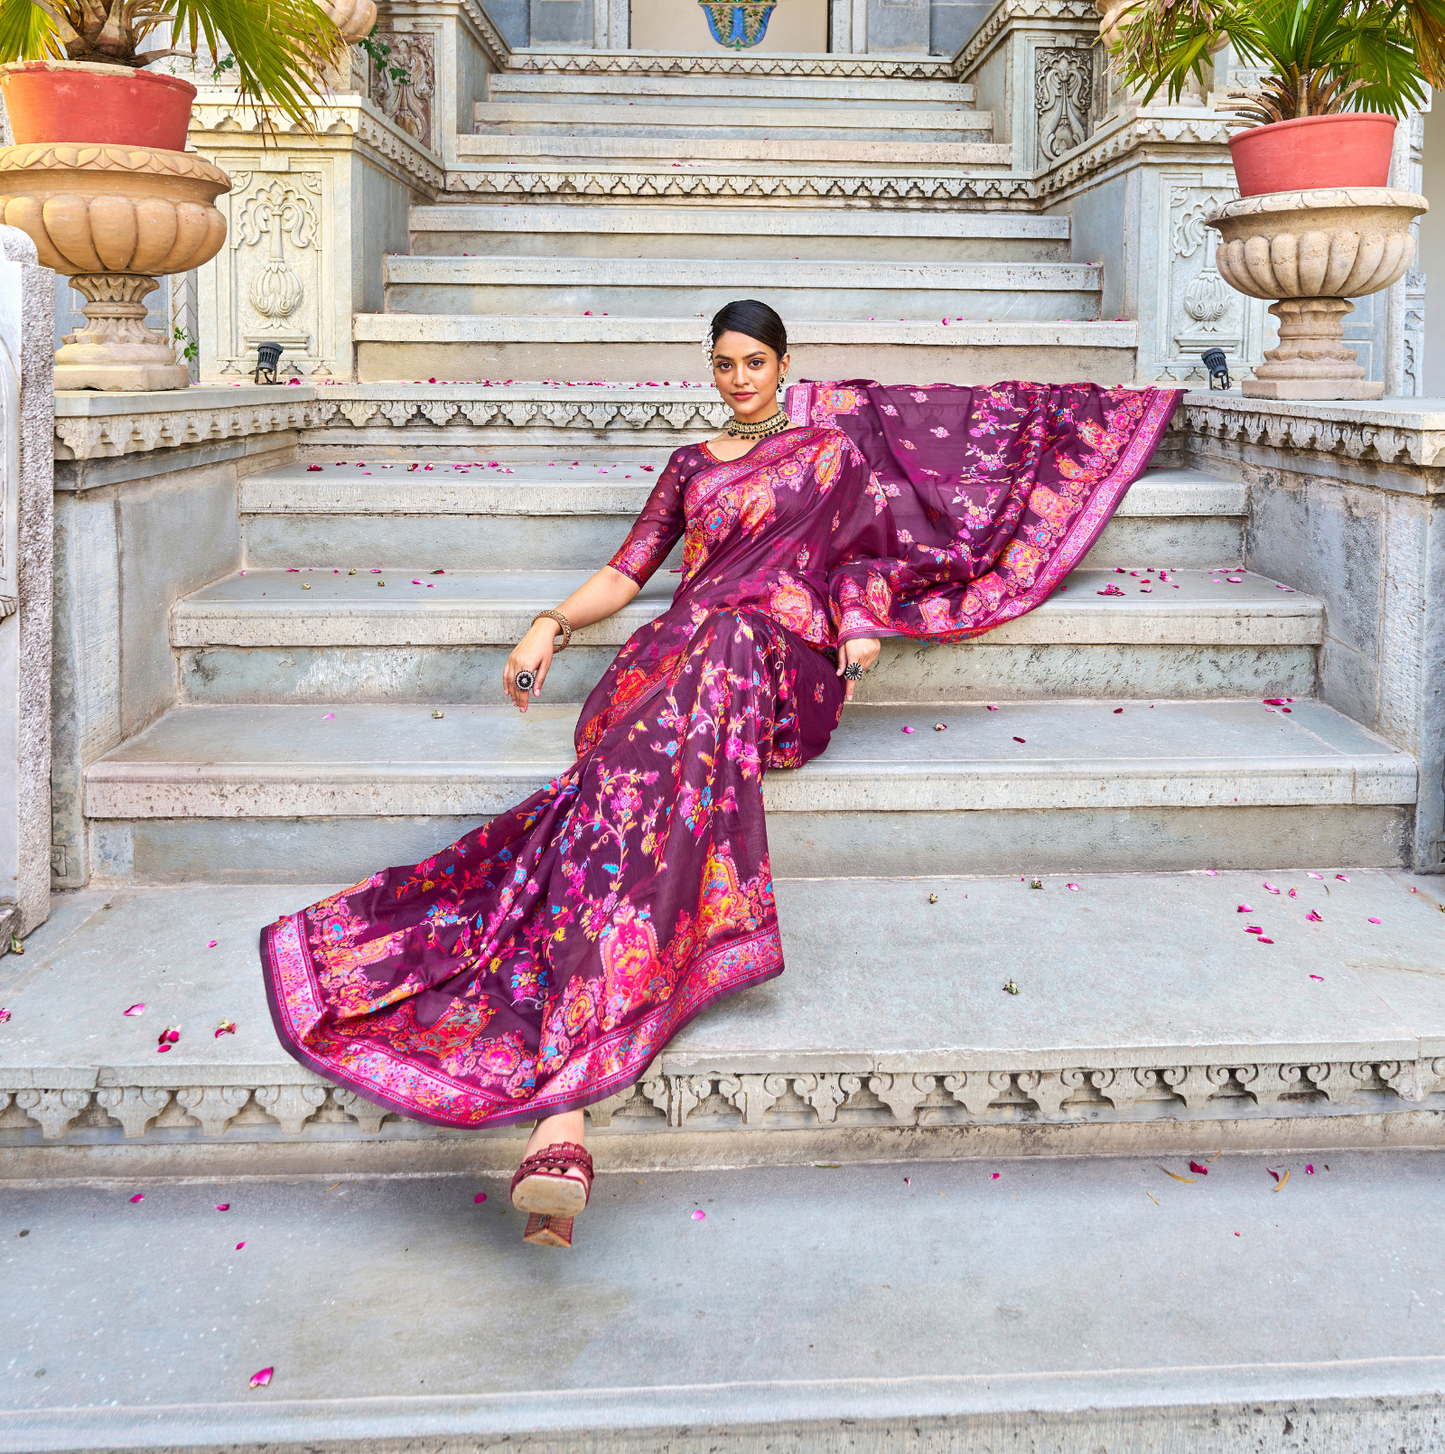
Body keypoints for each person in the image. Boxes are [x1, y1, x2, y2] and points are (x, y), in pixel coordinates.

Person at [261, 302, 1177, 1247]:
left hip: (780, 665)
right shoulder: (691, 465)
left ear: (784, 365)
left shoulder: (828, 454)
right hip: (676, 662)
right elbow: (627, 573)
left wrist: (859, 628)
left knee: (717, 659)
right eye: (722, 364)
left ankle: (565, 1107)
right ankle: (564, 1107)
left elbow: (863, 556)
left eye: (753, 362)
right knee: (638, 789)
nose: (737, 379)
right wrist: (551, 624)